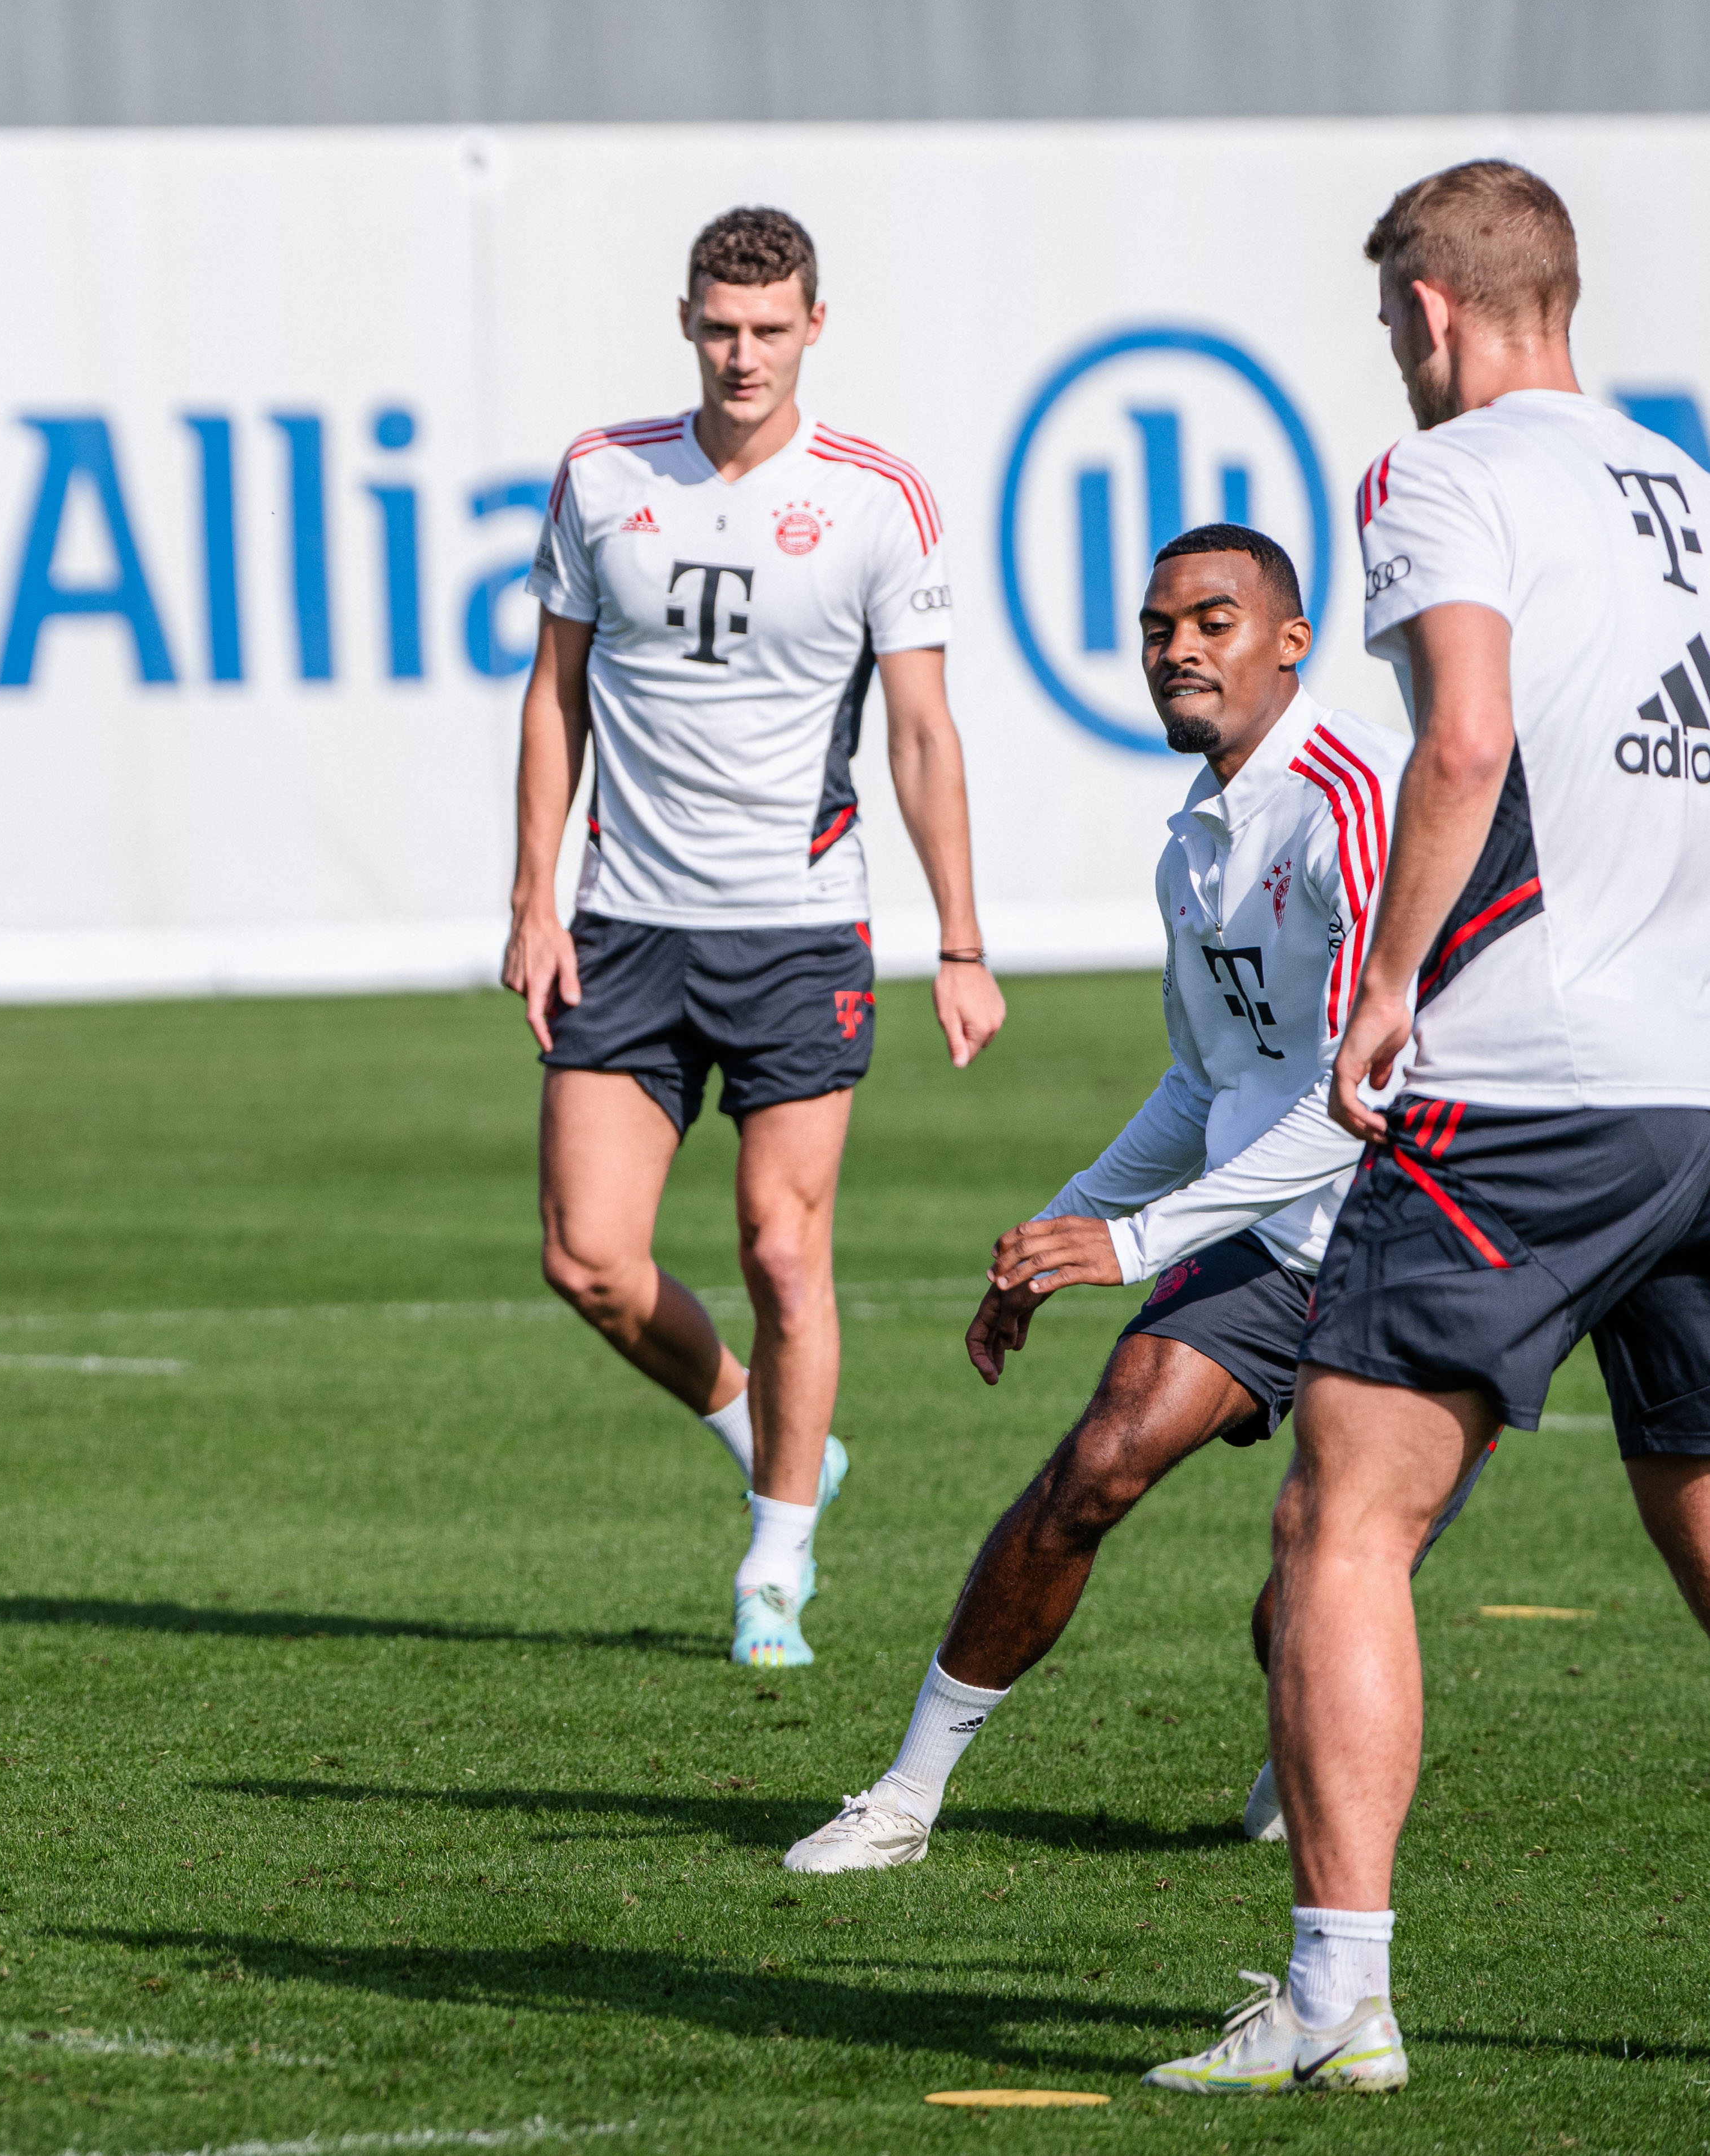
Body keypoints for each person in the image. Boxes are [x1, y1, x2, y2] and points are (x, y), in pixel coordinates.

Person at [1152, 162, 1710, 2096]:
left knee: (1339, 1516)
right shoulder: (1676, 491)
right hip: (1691, 1083)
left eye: (1391, 317)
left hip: (1523, 1081)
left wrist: (1383, 984)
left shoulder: (1444, 477)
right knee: (1703, 1514)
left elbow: (1456, 738)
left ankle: (1329, 1999)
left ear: (1429, 315)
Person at [785, 526, 1489, 1874]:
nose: (1177, 649)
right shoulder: (1190, 842)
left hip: (1412, 1233)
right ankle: (905, 1797)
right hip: (1263, 1238)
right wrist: (1062, 1230)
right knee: (1093, 1465)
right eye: (1158, 627)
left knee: (1313, 1573)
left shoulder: (1345, 799)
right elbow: (1203, 1076)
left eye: (1212, 622)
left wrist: (1135, 1239)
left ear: (1290, 641)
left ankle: (1314, 1748)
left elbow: (1361, 1094)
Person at [504, 205, 1007, 1669]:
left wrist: (959, 940)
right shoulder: (602, 475)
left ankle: (774, 1563)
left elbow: (919, 732)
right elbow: (554, 698)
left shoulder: (873, 499)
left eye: (768, 330)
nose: (742, 355)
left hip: (794, 931)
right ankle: (760, 1426)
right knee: (586, 1256)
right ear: (685, 322)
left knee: (784, 1253)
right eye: (720, 328)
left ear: (813, 328)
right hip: (624, 924)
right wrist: (530, 896)